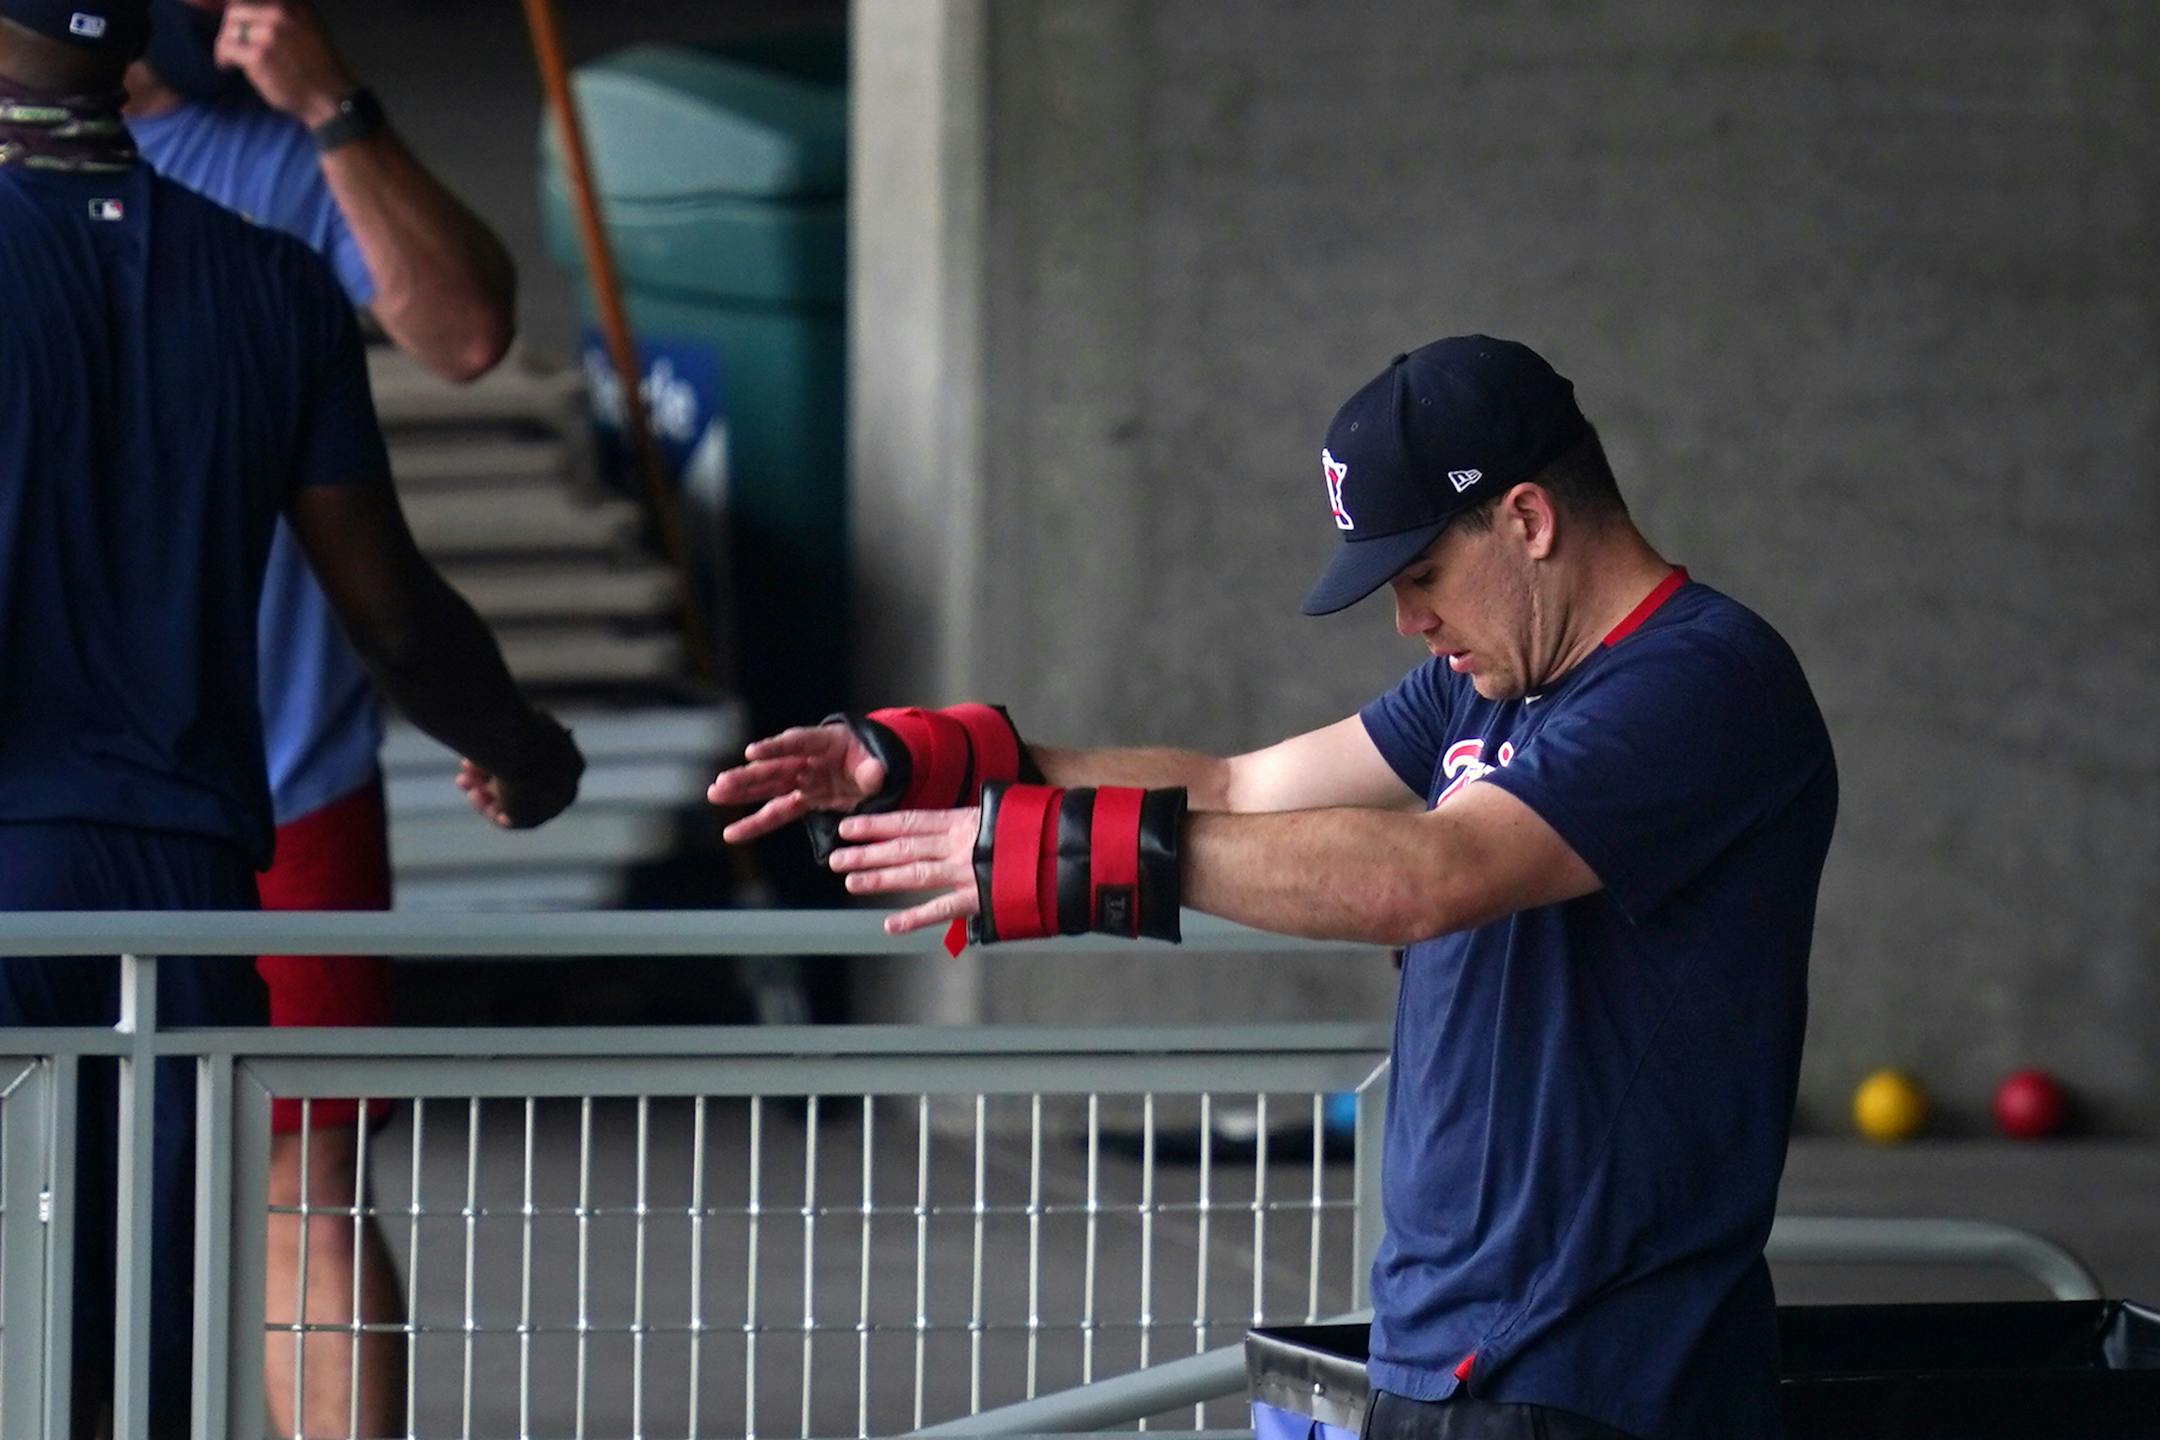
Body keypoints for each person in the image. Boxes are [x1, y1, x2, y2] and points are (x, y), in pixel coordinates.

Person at [709, 336, 1839, 1440]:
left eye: (1424, 576)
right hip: (1444, 1343)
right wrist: (967, 759)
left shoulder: (1704, 685)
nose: (1410, 623)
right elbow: (1236, 784)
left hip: (1598, 1360)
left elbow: (1438, 875)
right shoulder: (1483, 690)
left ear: (1529, 520)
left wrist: (1086, 854)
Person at [0, 4, 582, 1434]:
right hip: (189, 897)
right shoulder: (266, 282)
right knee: (129, 1348)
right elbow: (391, 615)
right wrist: (523, 747)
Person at [122, 3, 518, 1432]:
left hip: (280, 776)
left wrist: (330, 101)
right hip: (50, 790)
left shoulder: (273, 156)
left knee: (305, 1186)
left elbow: (467, 333)